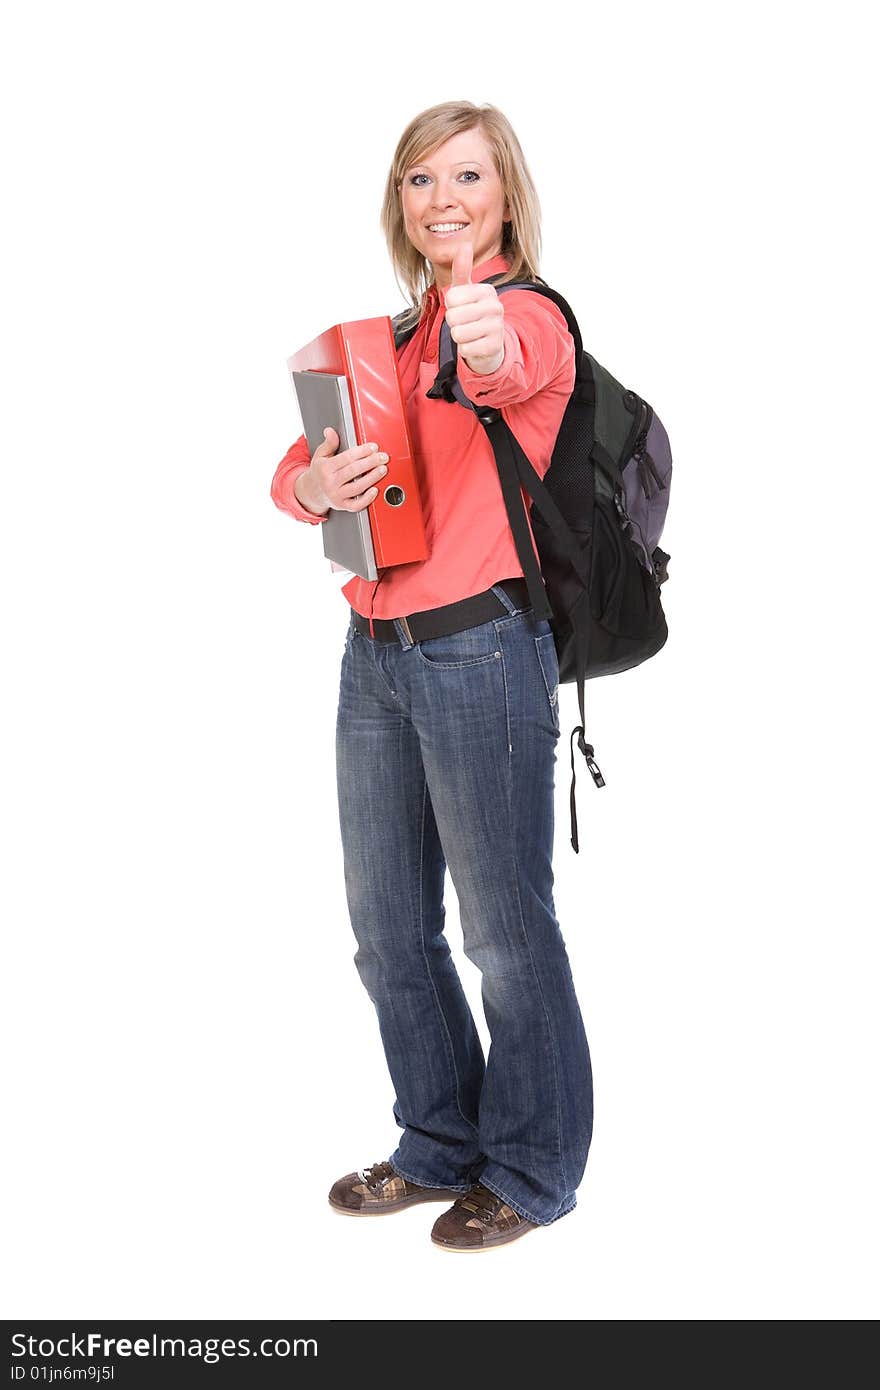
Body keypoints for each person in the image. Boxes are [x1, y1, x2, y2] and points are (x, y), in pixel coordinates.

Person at [270, 101, 593, 1252]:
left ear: (504, 194)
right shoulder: (388, 338)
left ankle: (535, 1167)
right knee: (387, 929)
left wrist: (478, 318)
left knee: (504, 932)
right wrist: (317, 487)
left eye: (466, 176)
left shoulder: (523, 317)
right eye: (420, 180)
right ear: (397, 202)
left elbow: (507, 372)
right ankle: (438, 1142)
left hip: (479, 653)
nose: (441, 198)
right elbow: (293, 472)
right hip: (374, 656)